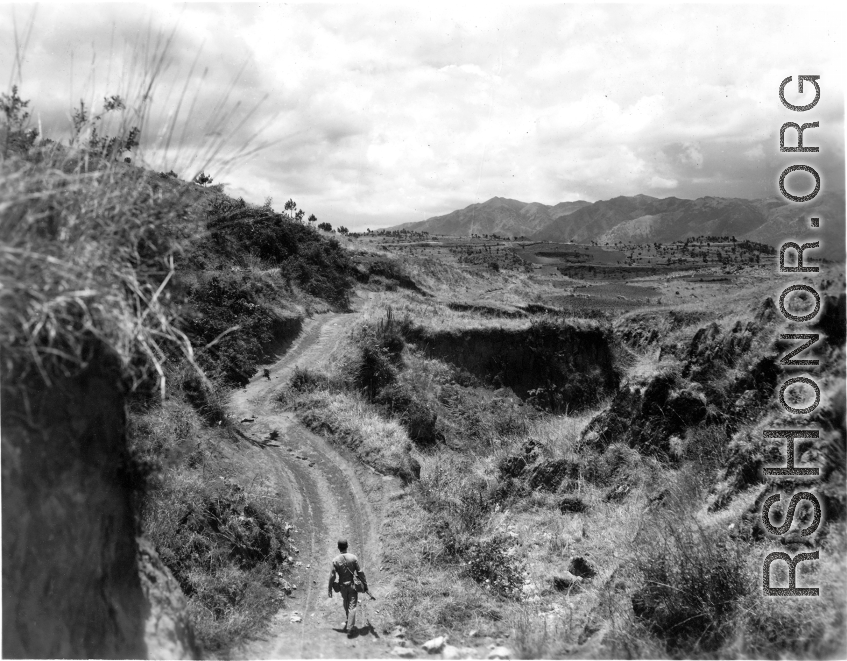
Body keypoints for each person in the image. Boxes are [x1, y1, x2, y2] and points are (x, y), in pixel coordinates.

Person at [327, 538, 367, 635]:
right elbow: (360, 572)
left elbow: (332, 576)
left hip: (342, 586)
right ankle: (350, 627)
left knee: (345, 601)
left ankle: (348, 619)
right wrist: (365, 584)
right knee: (352, 605)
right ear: (347, 546)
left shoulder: (335, 560)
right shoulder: (353, 558)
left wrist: (329, 588)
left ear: (338, 547)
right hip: (352, 585)